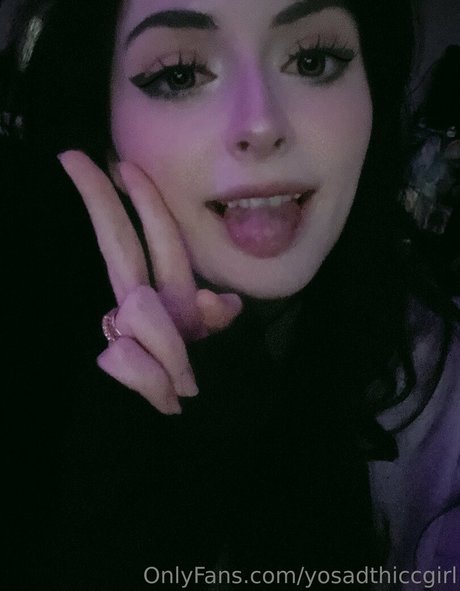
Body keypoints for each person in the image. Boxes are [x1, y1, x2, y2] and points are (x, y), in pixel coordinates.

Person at [1, 1, 459, 589]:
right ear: (107, 126)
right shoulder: (24, 352)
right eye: (180, 74)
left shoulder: (438, 384)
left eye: (313, 61)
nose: (261, 125)